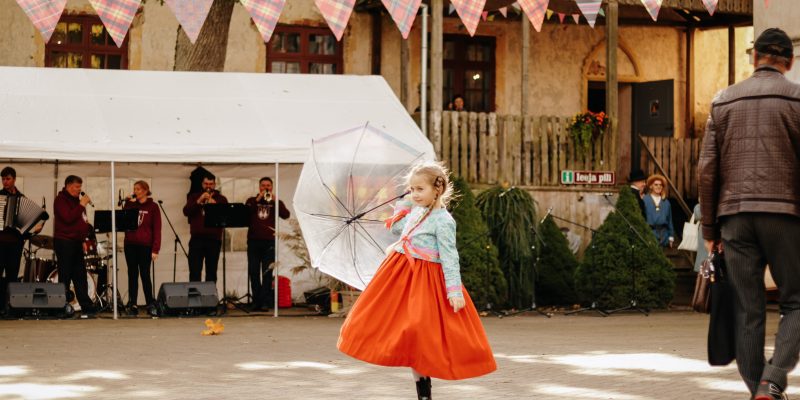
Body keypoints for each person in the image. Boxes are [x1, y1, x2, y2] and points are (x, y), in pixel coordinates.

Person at [338, 161, 496, 400]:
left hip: (425, 280)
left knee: (419, 332)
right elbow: (396, 229)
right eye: (411, 189)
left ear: (437, 190)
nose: (415, 194)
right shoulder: (415, 211)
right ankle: (421, 388)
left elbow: (450, 257)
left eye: (420, 189)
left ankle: (424, 391)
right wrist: (403, 205)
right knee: (390, 324)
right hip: (399, 276)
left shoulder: (444, 221)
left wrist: (454, 291)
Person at [699, 28, 800, 400]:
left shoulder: (722, 101)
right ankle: (770, 384)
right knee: (797, 301)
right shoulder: (797, 99)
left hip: (734, 218)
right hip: (786, 215)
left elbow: (706, 171)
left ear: (754, 58)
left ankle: (761, 390)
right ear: (790, 61)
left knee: (747, 310)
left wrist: (710, 228)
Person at [244, 177, 290, 311]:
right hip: (253, 241)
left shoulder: (276, 202)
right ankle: (256, 300)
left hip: (269, 242)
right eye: (263, 185)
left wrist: (275, 201)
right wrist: (258, 199)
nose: (266, 188)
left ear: (272, 187)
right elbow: (245, 214)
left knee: (267, 272)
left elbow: (286, 215)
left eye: (268, 185)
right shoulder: (251, 201)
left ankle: (265, 301)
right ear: (259, 187)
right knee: (253, 271)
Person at [0, 167, 42, 308]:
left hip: (16, 244)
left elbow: (24, 227)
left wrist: (34, 230)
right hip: (1, 242)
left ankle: (9, 306)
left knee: (12, 275)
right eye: (3, 179)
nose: (5, 182)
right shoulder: (0, 196)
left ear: (14, 179)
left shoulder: (22, 198)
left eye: (8, 179)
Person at [53, 175, 95, 316]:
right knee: (65, 274)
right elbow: (68, 218)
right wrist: (82, 205)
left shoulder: (77, 201)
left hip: (77, 242)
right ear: (69, 186)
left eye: (80, 186)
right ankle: (61, 306)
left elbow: (81, 221)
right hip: (64, 242)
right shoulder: (60, 200)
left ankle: (86, 305)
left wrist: (83, 239)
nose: (79, 189)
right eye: (77, 187)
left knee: (80, 275)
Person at [122, 181, 161, 316]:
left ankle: (150, 303)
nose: (135, 191)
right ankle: (132, 303)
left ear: (145, 191)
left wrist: (155, 249)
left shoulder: (153, 207)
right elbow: (124, 221)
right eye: (134, 189)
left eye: (138, 189)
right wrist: (128, 203)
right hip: (130, 244)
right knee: (132, 274)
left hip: (145, 246)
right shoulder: (130, 204)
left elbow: (157, 229)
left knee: (145, 274)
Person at [183, 172, 228, 282]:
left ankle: (210, 293)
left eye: (211, 184)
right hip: (196, 240)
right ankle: (195, 293)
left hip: (214, 240)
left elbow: (225, 217)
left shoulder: (221, 199)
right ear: (202, 184)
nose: (208, 186)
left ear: (214, 184)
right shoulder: (194, 196)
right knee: (194, 272)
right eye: (206, 184)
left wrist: (215, 206)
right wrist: (199, 200)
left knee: (211, 273)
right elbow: (186, 211)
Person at [643, 174, 674, 247]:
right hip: (650, 235)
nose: (658, 186)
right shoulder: (645, 200)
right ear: (651, 186)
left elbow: (670, 220)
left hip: (664, 236)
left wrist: (671, 236)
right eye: (656, 184)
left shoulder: (666, 202)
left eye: (660, 185)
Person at [691, 203, 707, 273]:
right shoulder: (698, 206)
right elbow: (698, 216)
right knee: (703, 255)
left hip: (711, 230)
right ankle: (702, 273)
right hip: (703, 231)